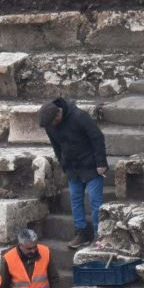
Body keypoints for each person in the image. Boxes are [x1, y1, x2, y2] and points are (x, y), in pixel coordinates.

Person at [38, 98, 108, 249]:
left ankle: (99, 235)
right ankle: (81, 233)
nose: (51, 127)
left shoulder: (79, 117)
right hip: (72, 168)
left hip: (91, 166)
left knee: (96, 202)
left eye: (52, 123)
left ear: (58, 114)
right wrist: (63, 164)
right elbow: (56, 146)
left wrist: (101, 163)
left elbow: (97, 137)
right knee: (75, 201)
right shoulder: (50, 125)